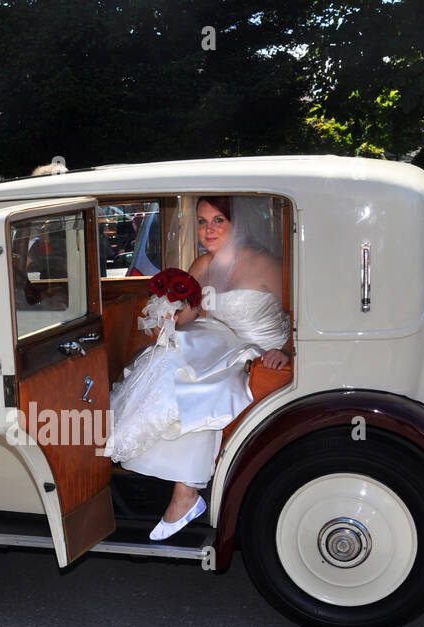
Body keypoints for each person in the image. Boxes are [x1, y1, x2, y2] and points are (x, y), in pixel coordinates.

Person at [109, 195, 291, 540]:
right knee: (166, 357)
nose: (208, 229)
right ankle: (172, 487)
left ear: (238, 224)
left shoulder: (265, 264)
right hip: (218, 337)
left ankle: (186, 491)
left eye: (218, 220)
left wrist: (285, 350)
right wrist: (170, 310)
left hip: (258, 346)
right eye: (203, 221)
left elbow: (301, 315)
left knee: (208, 382)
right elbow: (190, 314)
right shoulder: (203, 265)